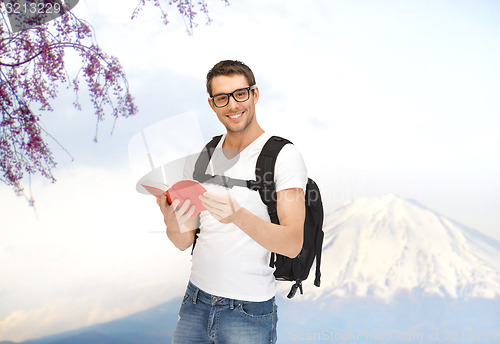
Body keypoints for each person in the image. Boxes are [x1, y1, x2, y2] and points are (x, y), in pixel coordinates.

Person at [156, 60, 307, 344]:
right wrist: (170, 219)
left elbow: (292, 242)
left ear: (255, 94)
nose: (233, 105)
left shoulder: (283, 156)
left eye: (240, 94)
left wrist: (238, 215)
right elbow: (183, 241)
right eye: (222, 98)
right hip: (194, 302)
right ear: (212, 104)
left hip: (248, 311)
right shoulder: (199, 154)